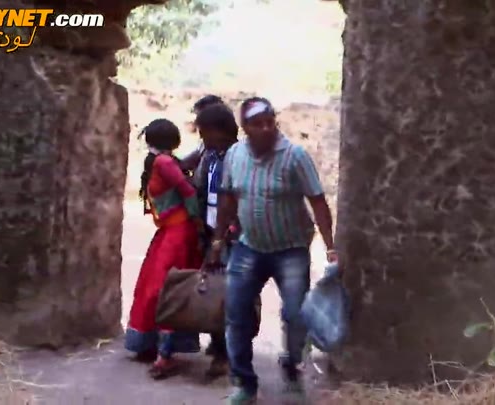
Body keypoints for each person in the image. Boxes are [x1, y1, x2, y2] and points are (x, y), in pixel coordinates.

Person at [207, 97, 338, 404]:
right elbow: (228, 198)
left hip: (290, 250)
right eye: (258, 124)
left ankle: (292, 372)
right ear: (245, 127)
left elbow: (318, 201)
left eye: (270, 121)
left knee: (295, 316)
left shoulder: (295, 156)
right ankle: (244, 385)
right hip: (249, 248)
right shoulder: (235, 155)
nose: (267, 128)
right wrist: (217, 240)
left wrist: (330, 246)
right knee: (236, 314)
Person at [125, 118, 204, 380]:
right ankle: (160, 346)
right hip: (175, 230)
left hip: (176, 232)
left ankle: (161, 350)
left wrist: (195, 221)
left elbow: (186, 190)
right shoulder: (164, 161)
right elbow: (186, 188)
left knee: (163, 288)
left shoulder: (159, 162)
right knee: (163, 287)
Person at [190, 103, 242, 378]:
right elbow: (201, 189)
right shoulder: (209, 157)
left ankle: (226, 353)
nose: (202, 137)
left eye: (205, 132)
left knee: (231, 295)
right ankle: (219, 344)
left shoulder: (241, 156)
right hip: (213, 231)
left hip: (233, 235)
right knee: (214, 289)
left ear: (220, 131)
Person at [180, 94, 225, 173]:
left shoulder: (226, 152)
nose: (196, 122)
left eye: (200, 117)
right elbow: (191, 159)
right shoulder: (205, 144)